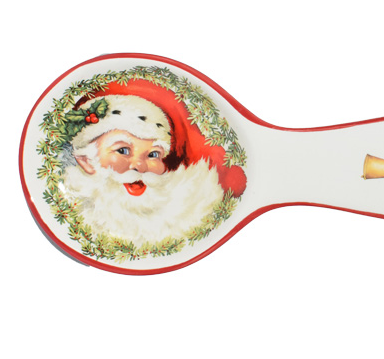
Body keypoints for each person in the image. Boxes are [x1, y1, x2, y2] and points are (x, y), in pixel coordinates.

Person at [59, 79, 246, 247]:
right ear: (87, 161)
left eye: (153, 154)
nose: (140, 167)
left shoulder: (185, 213)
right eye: (123, 151)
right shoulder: (73, 214)